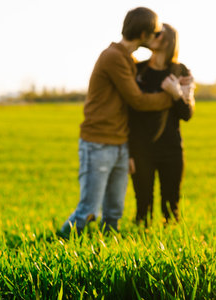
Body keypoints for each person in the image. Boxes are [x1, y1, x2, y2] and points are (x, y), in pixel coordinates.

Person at [60, 7, 188, 237]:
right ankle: (59, 242)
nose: (158, 36)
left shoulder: (128, 59)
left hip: (119, 142)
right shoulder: (113, 57)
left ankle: (106, 246)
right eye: (155, 32)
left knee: (114, 211)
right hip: (98, 141)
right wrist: (173, 96)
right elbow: (137, 101)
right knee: (89, 209)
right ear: (144, 34)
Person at [128, 23, 195, 227]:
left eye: (157, 33)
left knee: (171, 209)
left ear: (168, 40)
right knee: (143, 209)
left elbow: (187, 114)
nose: (151, 36)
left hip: (171, 149)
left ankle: (171, 249)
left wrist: (176, 94)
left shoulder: (180, 70)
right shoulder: (137, 70)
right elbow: (128, 113)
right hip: (140, 150)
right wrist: (128, 151)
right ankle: (138, 247)